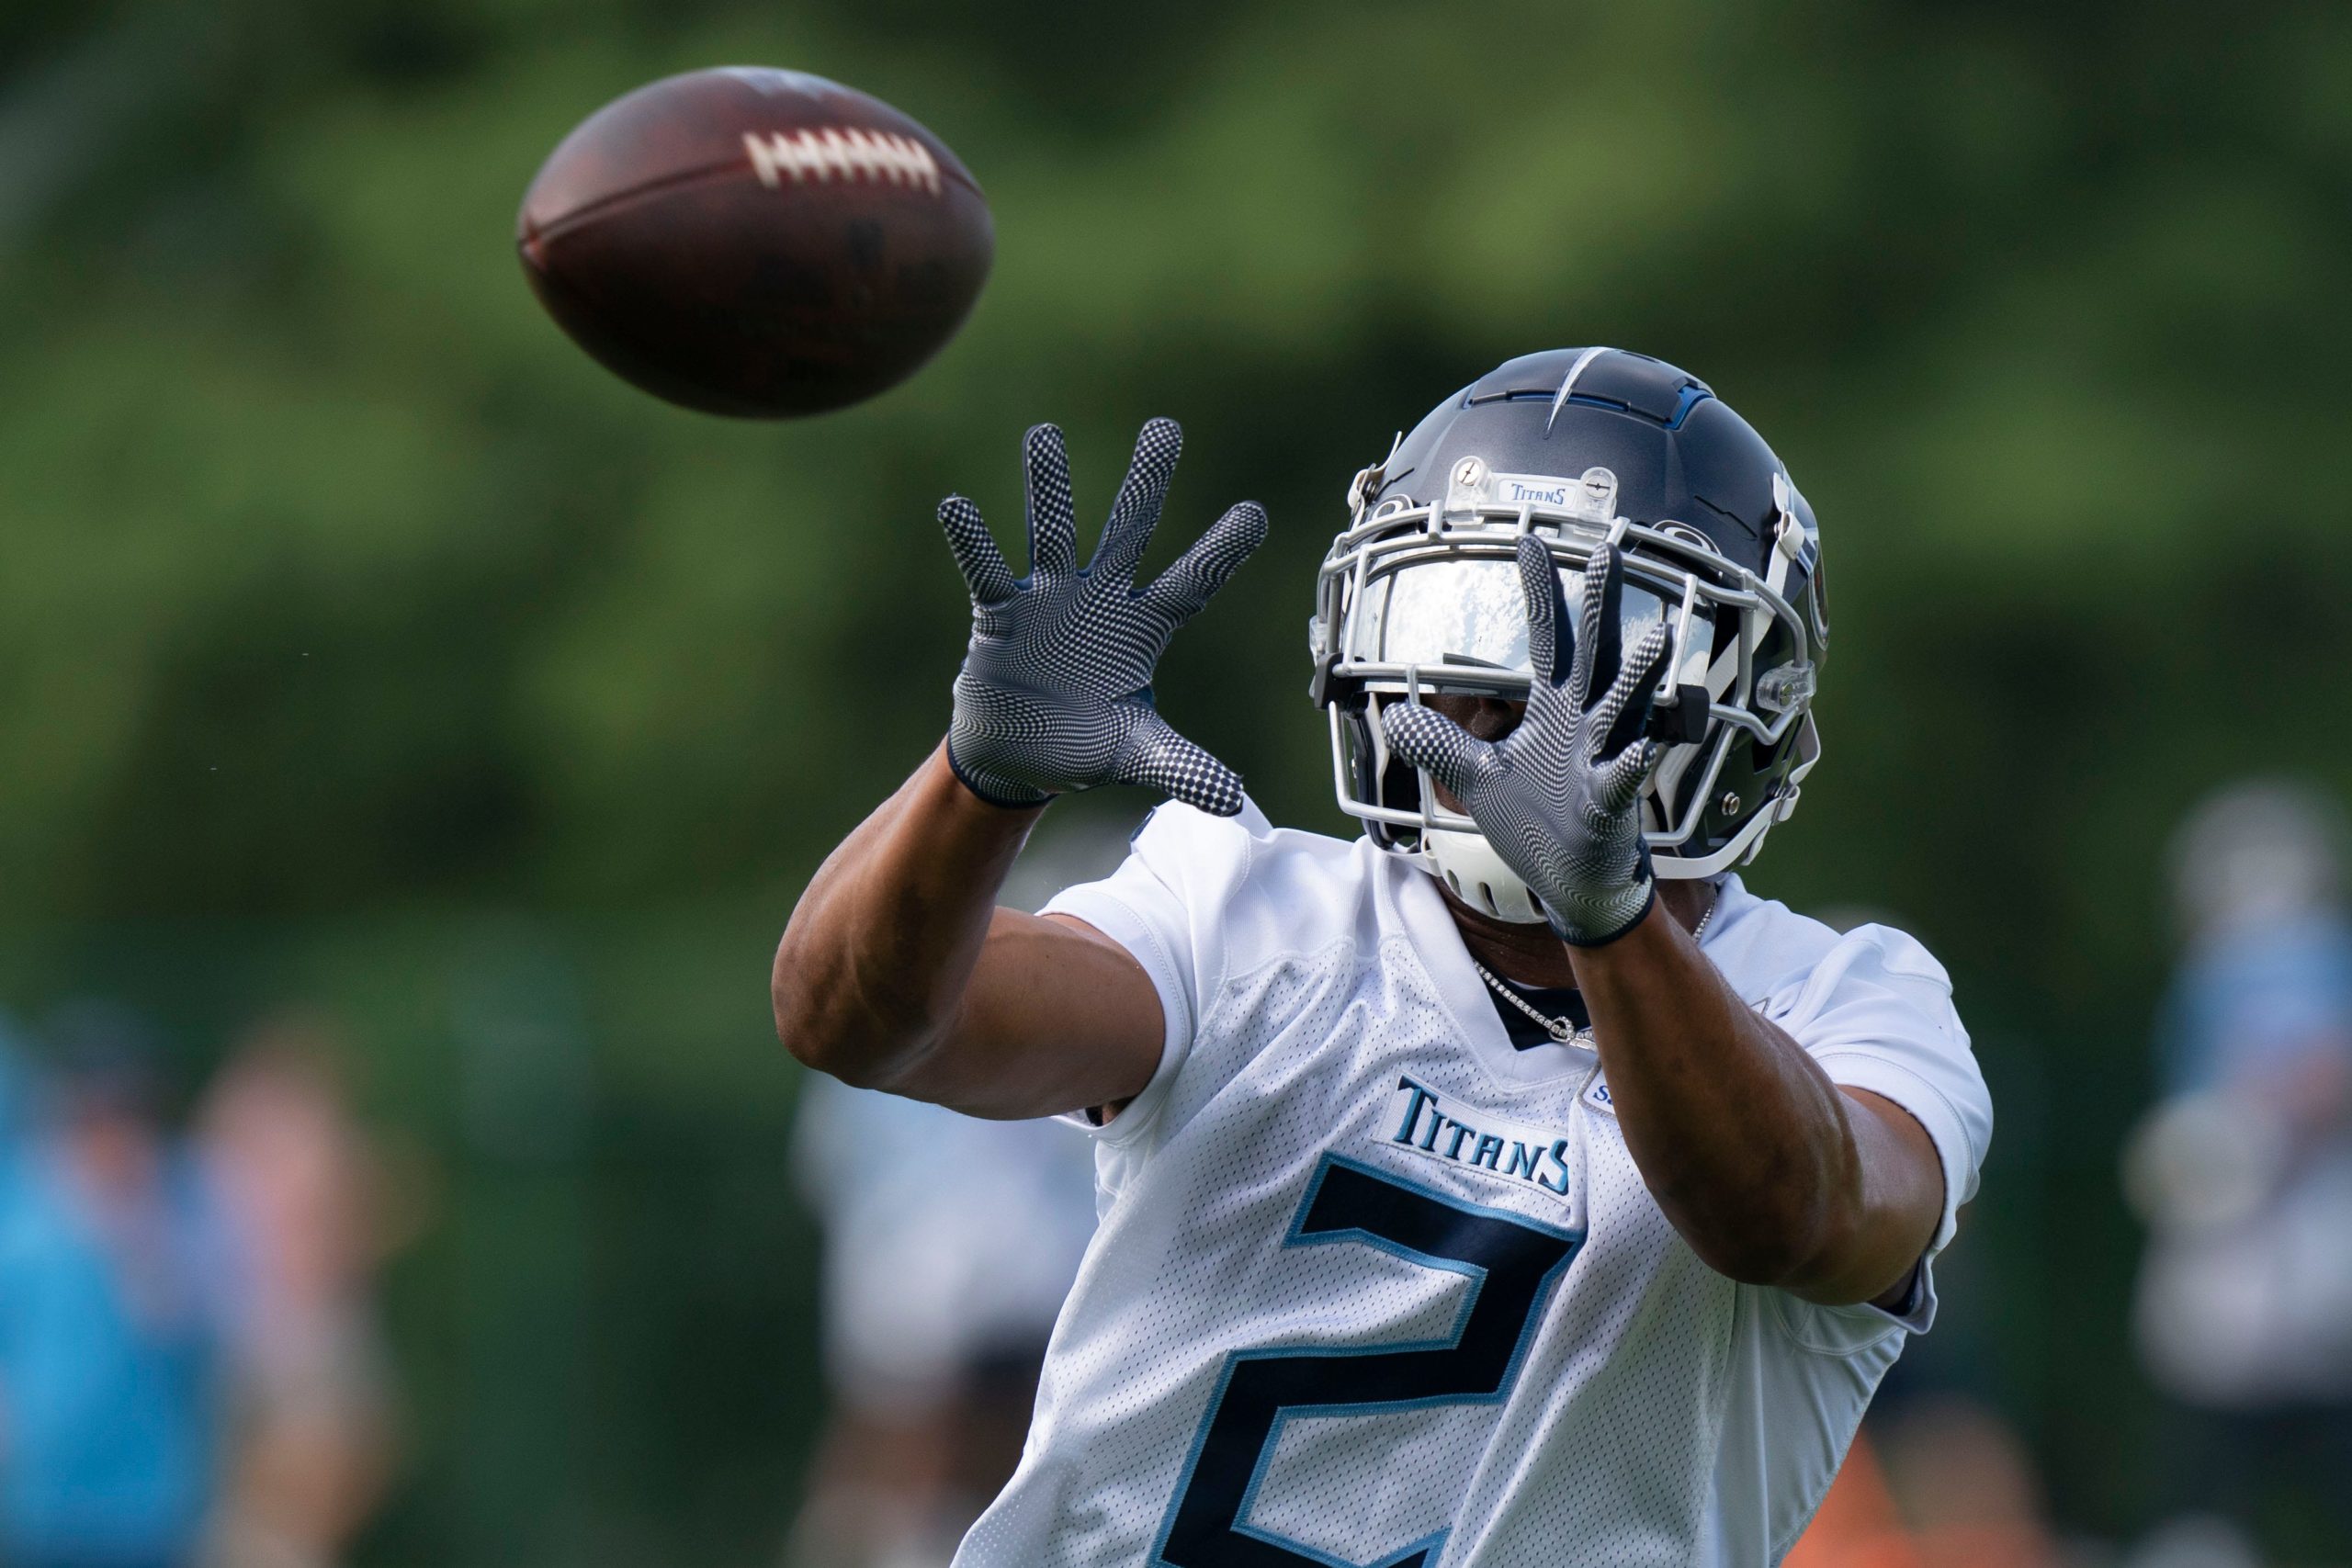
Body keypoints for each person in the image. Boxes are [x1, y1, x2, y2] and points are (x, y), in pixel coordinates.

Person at [772, 348, 1994, 1566]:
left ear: (1725, 688)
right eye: (1461, 614)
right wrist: (974, 781)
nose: (1494, 686)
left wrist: (1608, 921)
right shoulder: (1243, 905)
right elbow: (859, 1021)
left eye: (1584, 629)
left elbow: (1793, 1213)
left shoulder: (1849, 998)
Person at [2124, 780, 2352, 1557]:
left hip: (2299, 1253)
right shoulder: (2215, 980)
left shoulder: (2282, 965)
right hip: (2239, 1257)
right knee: (2210, 1474)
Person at [0, 1005, 236, 1568]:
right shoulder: (23, 1207)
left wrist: (142, 1242)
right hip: (42, 1499)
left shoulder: (184, 1201)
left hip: (151, 1502)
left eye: (132, 1114)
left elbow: (203, 1333)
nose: (116, 1134)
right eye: (100, 1113)